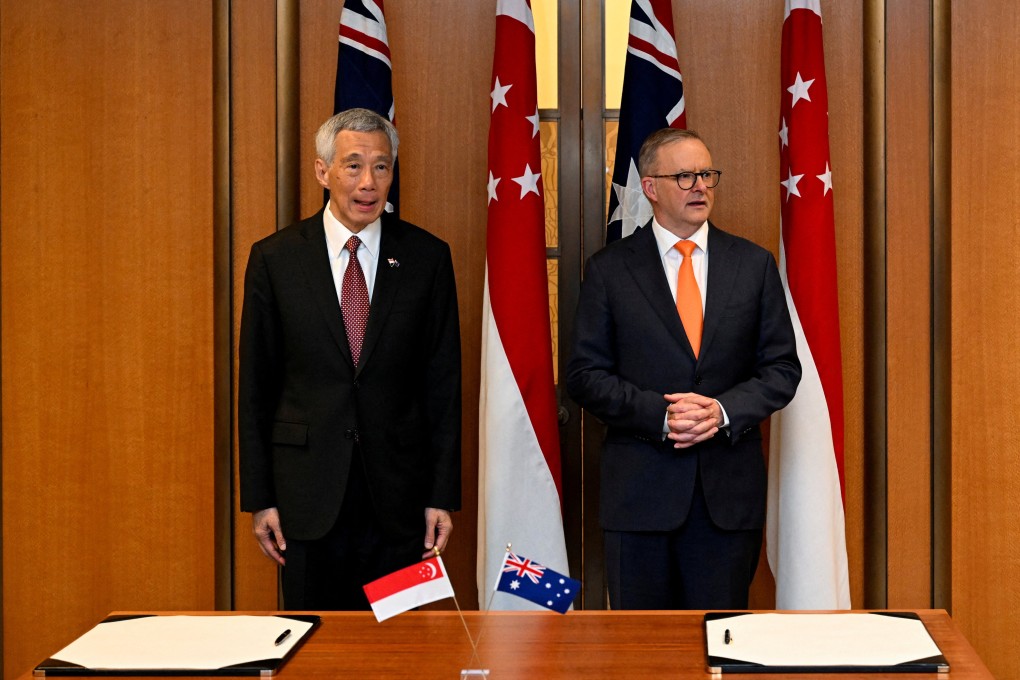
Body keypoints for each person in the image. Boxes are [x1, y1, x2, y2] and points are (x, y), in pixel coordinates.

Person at [565, 128, 801, 610]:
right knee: (643, 645)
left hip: (725, 502)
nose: (701, 187)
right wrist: (662, 416)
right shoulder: (609, 269)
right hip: (639, 501)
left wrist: (721, 410)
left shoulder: (753, 264)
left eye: (707, 175)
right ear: (650, 187)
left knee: (719, 636)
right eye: (685, 177)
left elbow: (781, 368)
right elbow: (585, 375)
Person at [239, 108, 462, 610]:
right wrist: (260, 499)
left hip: (400, 503)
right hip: (305, 500)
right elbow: (256, 386)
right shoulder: (275, 259)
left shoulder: (427, 258)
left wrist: (440, 495)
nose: (368, 182)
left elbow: (443, 385)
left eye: (381, 167)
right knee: (314, 639)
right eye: (353, 165)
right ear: (323, 172)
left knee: (401, 639)